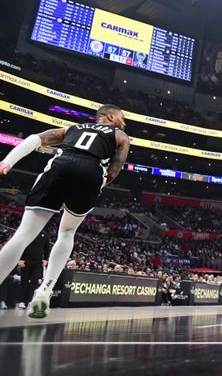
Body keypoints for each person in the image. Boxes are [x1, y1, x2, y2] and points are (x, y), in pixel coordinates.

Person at [0, 104, 130, 318]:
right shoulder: (120, 135)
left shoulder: (73, 128)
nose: (124, 122)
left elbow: (36, 139)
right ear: (109, 116)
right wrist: (94, 185)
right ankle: (44, 293)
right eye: (122, 117)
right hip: (92, 172)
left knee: (23, 234)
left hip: (62, 164)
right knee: (67, 232)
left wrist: (8, 161)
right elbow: (115, 168)